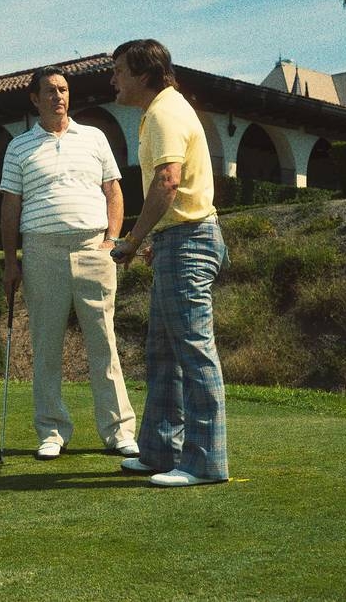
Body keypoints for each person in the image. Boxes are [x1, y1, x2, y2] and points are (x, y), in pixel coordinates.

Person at [0, 66, 138, 461]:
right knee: (46, 345)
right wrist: (11, 261)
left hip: (93, 247)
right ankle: (52, 430)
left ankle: (118, 431)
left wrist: (111, 239)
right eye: (50, 90)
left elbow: (113, 191)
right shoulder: (19, 147)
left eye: (63, 89)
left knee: (104, 343)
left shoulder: (94, 138)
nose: (58, 96)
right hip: (42, 251)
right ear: (35, 99)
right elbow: (10, 206)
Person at [109, 39, 230, 487]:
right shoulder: (160, 110)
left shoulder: (163, 111)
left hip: (189, 241)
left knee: (194, 353)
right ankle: (160, 450)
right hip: (176, 241)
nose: (113, 79)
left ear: (144, 74)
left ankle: (205, 463)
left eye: (119, 70)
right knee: (163, 353)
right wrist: (154, 238)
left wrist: (134, 238)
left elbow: (168, 181)